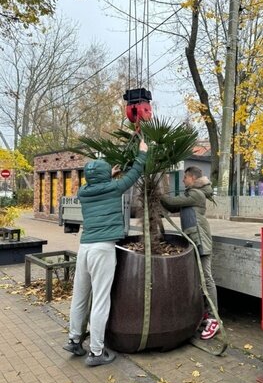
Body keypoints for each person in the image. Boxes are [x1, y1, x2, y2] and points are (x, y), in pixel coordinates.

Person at [63, 139, 148, 366]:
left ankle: (73, 340)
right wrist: (142, 153)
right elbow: (134, 174)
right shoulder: (114, 187)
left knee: (80, 296)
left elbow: (99, 183)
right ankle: (97, 352)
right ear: (105, 177)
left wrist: (108, 174)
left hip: (85, 248)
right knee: (101, 299)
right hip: (103, 249)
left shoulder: (83, 192)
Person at [160, 166, 220, 340]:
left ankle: (215, 319)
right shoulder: (192, 194)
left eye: (185, 177)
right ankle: (206, 314)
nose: (184, 180)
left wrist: (159, 193)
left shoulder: (196, 195)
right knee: (200, 279)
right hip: (195, 240)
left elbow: (171, 203)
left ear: (193, 178)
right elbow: (171, 208)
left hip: (201, 240)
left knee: (206, 278)